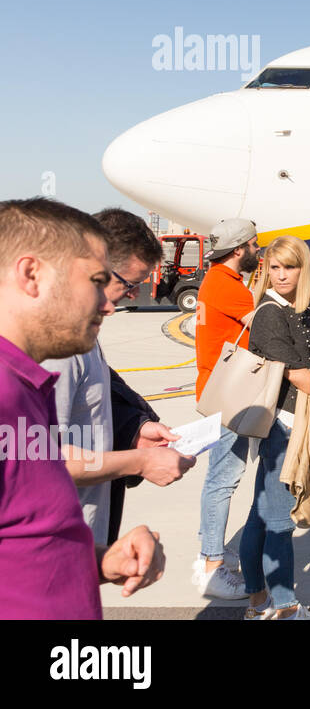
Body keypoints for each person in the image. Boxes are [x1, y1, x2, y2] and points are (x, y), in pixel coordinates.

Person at [0, 198, 166, 618]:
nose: (110, 303)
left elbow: (26, 543)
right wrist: (139, 460)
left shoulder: (27, 386)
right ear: (31, 275)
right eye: (95, 281)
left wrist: (98, 562)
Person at [51, 209, 193, 546]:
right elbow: (43, 459)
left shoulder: (82, 329)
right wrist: (141, 462)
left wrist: (135, 428)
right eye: (128, 284)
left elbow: (96, 399)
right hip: (55, 550)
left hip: (78, 544)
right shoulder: (56, 347)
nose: (130, 297)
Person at [240, 235, 310, 619]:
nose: (280, 275)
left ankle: (259, 604)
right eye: (273, 268)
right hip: (282, 426)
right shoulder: (271, 312)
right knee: (278, 520)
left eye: (288, 267)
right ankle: (286, 608)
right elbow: (299, 373)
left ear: (302, 269)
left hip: (293, 422)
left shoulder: (298, 309)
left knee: (260, 516)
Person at [193, 217, 260, 600]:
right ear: (239, 250)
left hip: (217, 387)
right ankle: (212, 564)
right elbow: (263, 325)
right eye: (254, 245)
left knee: (219, 475)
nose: (258, 251)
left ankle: (213, 548)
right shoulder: (229, 286)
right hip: (229, 393)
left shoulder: (217, 278)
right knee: (224, 478)